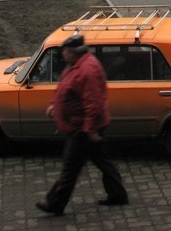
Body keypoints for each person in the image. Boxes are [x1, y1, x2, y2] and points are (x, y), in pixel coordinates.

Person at [36, 35, 128, 217]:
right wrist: (55, 104)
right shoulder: (75, 65)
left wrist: (90, 129)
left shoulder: (87, 70)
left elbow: (93, 104)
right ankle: (118, 194)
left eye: (65, 51)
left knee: (71, 166)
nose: (62, 54)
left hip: (82, 128)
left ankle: (54, 203)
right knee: (102, 160)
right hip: (82, 126)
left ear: (72, 53)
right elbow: (64, 87)